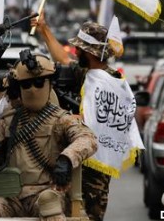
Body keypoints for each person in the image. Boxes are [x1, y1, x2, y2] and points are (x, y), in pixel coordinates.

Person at [0, 51, 97, 221]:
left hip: (45, 191)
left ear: (50, 83)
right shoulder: (8, 120)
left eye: (39, 83)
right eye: (26, 85)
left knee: (49, 205)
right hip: (9, 193)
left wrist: (67, 159)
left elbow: (88, 139)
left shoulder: (61, 119)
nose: (32, 89)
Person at [31, 13, 125, 221]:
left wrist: (77, 119)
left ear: (90, 52)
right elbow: (63, 59)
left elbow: (106, 120)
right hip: (80, 156)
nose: (76, 51)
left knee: (89, 215)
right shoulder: (88, 72)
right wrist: (44, 29)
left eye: (80, 48)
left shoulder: (112, 81)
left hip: (96, 166)